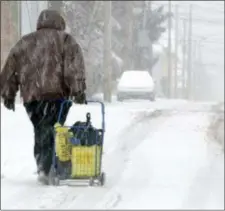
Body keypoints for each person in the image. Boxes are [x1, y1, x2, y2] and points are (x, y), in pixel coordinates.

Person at [0, 9, 87, 183]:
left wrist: (8, 94)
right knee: (53, 129)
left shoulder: (25, 42)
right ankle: (48, 168)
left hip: (32, 98)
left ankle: (43, 166)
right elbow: (74, 68)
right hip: (58, 97)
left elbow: (10, 69)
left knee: (40, 129)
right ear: (60, 23)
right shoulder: (66, 41)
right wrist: (78, 90)